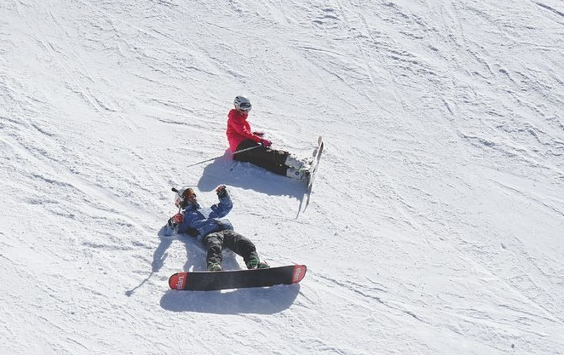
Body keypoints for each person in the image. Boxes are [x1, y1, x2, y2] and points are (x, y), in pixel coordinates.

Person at [163, 185, 269, 271]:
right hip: (210, 234)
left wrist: (223, 195)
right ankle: (214, 267)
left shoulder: (208, 209)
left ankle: (254, 264)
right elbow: (170, 232)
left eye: (193, 194)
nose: (193, 196)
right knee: (214, 247)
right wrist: (173, 222)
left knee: (244, 242)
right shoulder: (185, 217)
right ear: (181, 200)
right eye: (189, 195)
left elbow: (225, 207)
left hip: (226, 230)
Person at [226, 95, 312, 180]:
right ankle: (299, 164)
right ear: (237, 105)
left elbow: (239, 131)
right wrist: (261, 140)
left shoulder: (237, 117)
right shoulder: (235, 117)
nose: (246, 109)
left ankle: (294, 173)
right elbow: (242, 132)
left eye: (248, 107)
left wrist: (253, 134)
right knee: (266, 153)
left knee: (263, 162)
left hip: (238, 154)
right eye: (243, 106)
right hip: (242, 145)